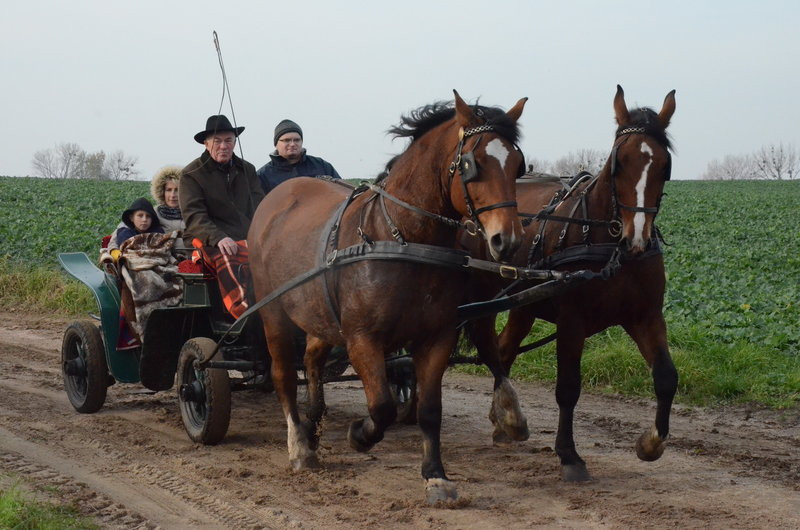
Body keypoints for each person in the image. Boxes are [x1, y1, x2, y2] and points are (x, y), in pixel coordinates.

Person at [180, 114, 264, 256]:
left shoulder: (247, 169)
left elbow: (259, 204)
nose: (223, 146)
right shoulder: (191, 174)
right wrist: (218, 237)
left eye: (228, 140)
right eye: (217, 141)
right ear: (206, 144)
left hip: (247, 237)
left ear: (235, 142)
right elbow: (194, 215)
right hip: (209, 240)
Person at [256, 119, 341, 194]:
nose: (292, 144)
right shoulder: (263, 176)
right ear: (276, 144)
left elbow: (344, 194)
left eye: (297, 140)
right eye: (287, 140)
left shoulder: (322, 166)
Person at [150, 165, 185, 234]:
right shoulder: (154, 213)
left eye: (177, 190)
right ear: (162, 192)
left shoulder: (192, 211)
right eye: (168, 190)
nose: (173, 195)